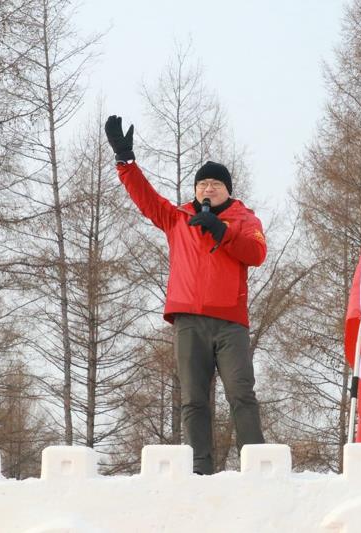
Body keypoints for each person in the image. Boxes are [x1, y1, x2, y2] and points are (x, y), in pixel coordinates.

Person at [104, 115, 267, 475]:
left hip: (230, 323)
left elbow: (256, 254)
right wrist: (125, 160)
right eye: (202, 184)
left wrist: (220, 230)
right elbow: (145, 198)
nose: (208, 189)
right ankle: (198, 468)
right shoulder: (177, 218)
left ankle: (258, 464)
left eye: (215, 184)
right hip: (189, 320)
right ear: (195, 190)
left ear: (227, 190)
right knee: (193, 399)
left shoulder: (244, 220)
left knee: (240, 392)